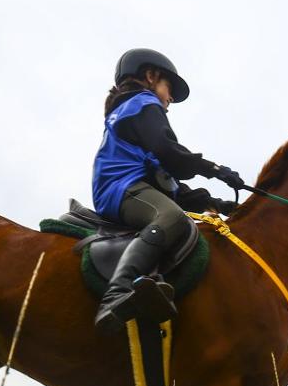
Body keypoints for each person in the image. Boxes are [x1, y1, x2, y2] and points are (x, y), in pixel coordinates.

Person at [91, 48, 244, 332]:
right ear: (150, 77)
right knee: (173, 218)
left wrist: (219, 204)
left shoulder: (131, 111)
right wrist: (216, 169)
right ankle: (116, 293)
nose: (170, 97)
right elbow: (169, 152)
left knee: (178, 215)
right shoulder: (142, 102)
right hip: (122, 189)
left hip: (134, 186)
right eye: (168, 88)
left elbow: (169, 182)